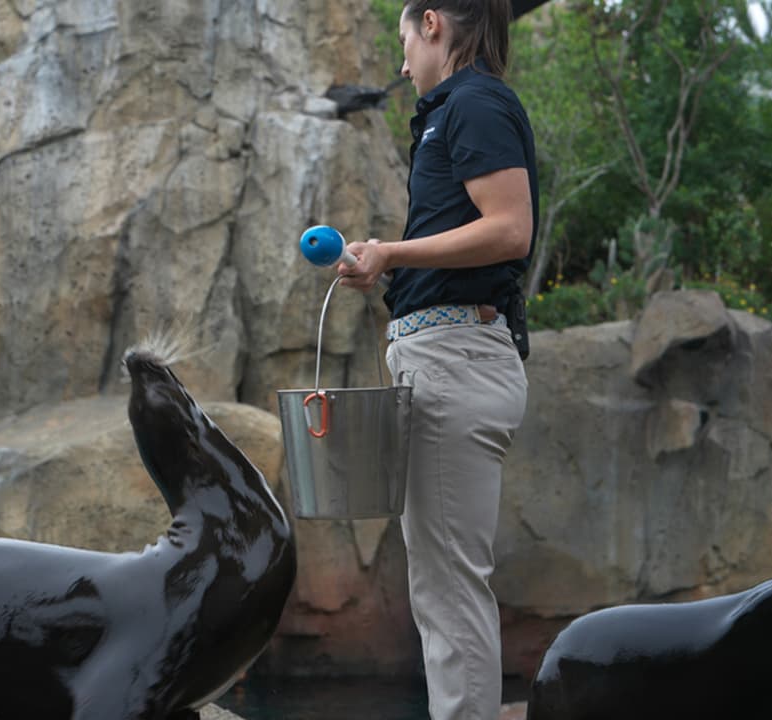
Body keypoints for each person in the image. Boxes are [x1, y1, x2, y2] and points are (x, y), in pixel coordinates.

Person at [336, 1, 536, 718]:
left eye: (402, 42)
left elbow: (510, 230)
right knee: (441, 587)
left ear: (432, 25)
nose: (399, 63)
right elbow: (467, 244)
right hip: (445, 354)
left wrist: (393, 251)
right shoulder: (455, 110)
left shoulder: (473, 102)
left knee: (450, 592)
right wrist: (384, 264)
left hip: (458, 361)